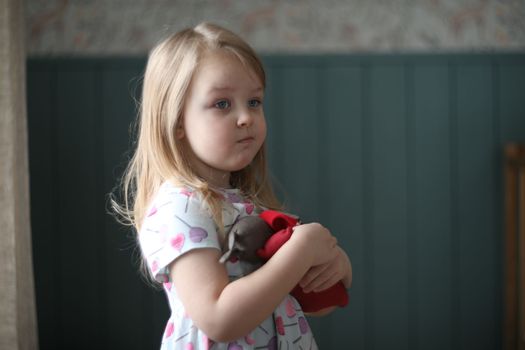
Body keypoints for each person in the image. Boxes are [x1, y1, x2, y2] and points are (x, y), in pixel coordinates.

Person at [113, 22, 352, 349]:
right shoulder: (180, 207)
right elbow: (218, 318)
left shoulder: (246, 204)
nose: (246, 117)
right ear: (176, 121)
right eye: (222, 104)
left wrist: (338, 267)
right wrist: (302, 249)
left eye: (254, 102)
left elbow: (311, 301)